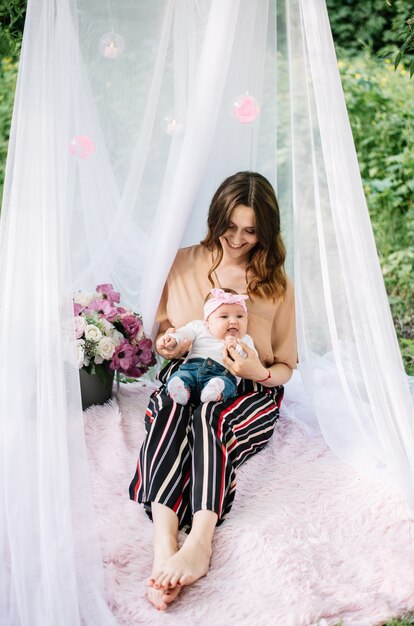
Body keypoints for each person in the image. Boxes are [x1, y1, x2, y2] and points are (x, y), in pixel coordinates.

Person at [129, 171, 297, 611]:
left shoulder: (275, 284)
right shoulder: (181, 263)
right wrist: (172, 345)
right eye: (230, 226)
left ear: (265, 232)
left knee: (212, 418)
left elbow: (285, 367)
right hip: (188, 375)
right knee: (169, 408)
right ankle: (165, 543)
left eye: (251, 230)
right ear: (215, 217)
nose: (238, 239)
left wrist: (258, 371)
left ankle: (200, 540)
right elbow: (166, 338)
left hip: (249, 390)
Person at [164, 287, 257, 405]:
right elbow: (184, 333)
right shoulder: (199, 327)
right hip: (192, 368)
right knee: (180, 376)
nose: (234, 321)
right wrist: (174, 339)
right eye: (224, 317)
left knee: (225, 384)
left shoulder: (244, 340)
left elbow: (252, 359)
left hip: (223, 373)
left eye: (240, 316)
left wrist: (237, 347)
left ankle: (214, 392)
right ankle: (180, 390)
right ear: (207, 321)